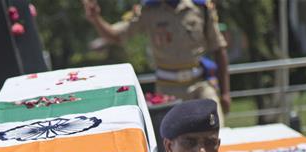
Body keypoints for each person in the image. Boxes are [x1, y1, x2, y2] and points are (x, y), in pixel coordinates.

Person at [82, 0, 231, 118]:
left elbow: (219, 48)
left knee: (213, 126)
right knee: (171, 140)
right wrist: (96, 19)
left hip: (200, 85)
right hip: (168, 90)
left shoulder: (200, 7)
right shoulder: (149, 10)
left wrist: (225, 93)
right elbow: (116, 36)